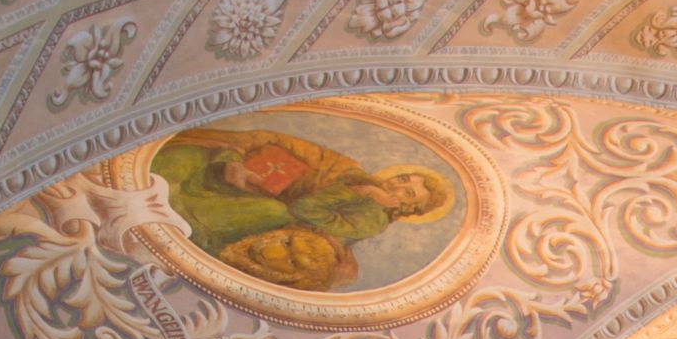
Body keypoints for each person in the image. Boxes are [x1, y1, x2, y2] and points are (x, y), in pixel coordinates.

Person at [152, 124, 454, 293]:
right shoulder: (348, 169)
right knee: (190, 157)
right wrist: (232, 159)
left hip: (270, 215)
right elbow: (271, 139)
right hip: (248, 188)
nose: (396, 187)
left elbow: (304, 210)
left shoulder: (372, 219)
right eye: (402, 179)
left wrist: (356, 192)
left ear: (408, 208)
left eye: (407, 193)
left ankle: (183, 222)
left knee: (273, 213)